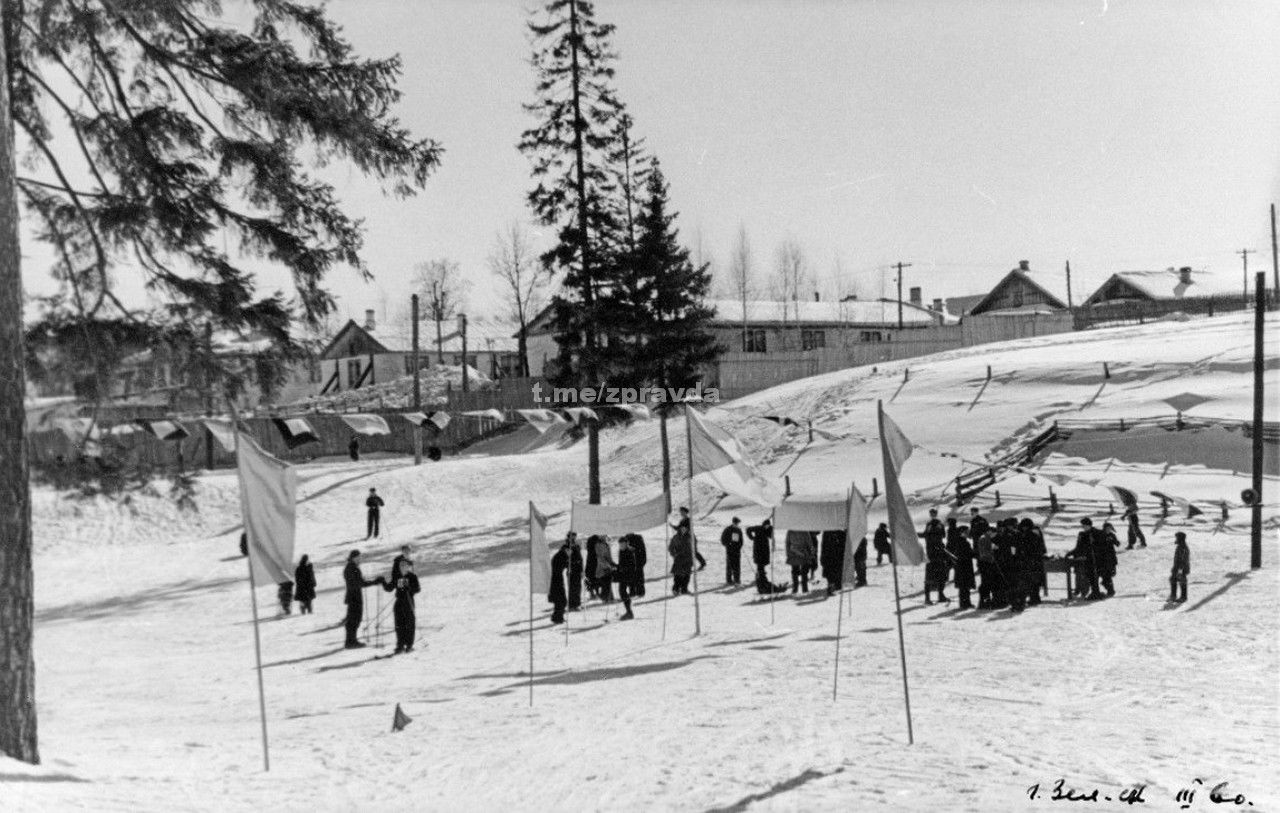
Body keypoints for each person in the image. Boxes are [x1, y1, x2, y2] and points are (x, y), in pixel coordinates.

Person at [381, 556, 421, 654]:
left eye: (404, 565)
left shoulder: (412, 576)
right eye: (401, 565)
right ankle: (400, 646)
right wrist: (382, 581)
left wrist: (409, 587)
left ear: (408, 567)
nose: (402, 567)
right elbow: (389, 588)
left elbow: (417, 589)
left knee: (410, 624)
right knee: (399, 625)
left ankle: (409, 645)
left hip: (409, 602)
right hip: (399, 603)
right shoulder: (397, 576)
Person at [343, 550, 382, 649]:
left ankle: (351, 640)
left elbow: (359, 582)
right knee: (354, 619)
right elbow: (359, 583)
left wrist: (371, 581)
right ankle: (350, 641)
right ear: (354, 558)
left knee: (354, 619)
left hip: (353, 596)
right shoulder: (352, 568)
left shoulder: (351, 567)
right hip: (354, 597)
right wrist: (374, 582)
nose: (360, 559)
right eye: (359, 557)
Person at [920, 509, 950, 604]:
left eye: (934, 513)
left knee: (940, 574)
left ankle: (940, 595)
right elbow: (926, 535)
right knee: (930, 575)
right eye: (931, 513)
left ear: (936, 514)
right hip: (933, 553)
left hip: (937, 552)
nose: (932, 515)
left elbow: (943, 535)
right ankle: (928, 598)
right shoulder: (931, 525)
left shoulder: (938, 524)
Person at [1070, 518, 1102, 600]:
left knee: (1094, 576)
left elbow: (1098, 545)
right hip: (1086, 558)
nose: (1083, 527)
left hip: (1094, 558)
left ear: (1089, 525)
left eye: (1084, 525)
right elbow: (1079, 547)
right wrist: (1071, 553)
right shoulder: (1083, 534)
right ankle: (1094, 592)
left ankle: (1096, 593)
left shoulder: (1095, 533)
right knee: (1090, 576)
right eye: (1082, 525)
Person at [947, 520, 976, 609]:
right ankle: (964, 603)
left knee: (964, 587)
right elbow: (967, 554)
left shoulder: (961, 541)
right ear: (962, 533)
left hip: (962, 566)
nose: (968, 533)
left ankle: (966, 603)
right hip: (963, 566)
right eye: (966, 532)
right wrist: (975, 553)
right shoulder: (963, 542)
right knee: (964, 586)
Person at [1093, 519, 1118, 597]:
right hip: (1102, 559)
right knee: (1104, 576)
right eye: (1107, 528)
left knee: (1108, 576)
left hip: (1110, 559)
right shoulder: (1101, 535)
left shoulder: (1112, 535)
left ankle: (1111, 591)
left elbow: (1117, 544)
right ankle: (1109, 589)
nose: (1108, 530)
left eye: (1110, 529)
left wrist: (1112, 540)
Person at [785, 530, 816, 594]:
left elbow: (787, 543)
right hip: (803, 553)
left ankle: (795, 589)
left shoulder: (790, 531)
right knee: (803, 572)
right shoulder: (804, 531)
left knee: (795, 571)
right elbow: (810, 543)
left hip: (793, 553)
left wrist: (788, 553)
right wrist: (812, 554)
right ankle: (804, 589)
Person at [974, 524, 998, 609]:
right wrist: (992, 555)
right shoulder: (984, 538)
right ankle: (984, 602)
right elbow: (983, 552)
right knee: (986, 583)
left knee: (987, 583)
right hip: (985, 563)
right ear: (990, 531)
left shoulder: (986, 538)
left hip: (986, 562)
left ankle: (985, 602)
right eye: (993, 533)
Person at [615, 536, 639, 620]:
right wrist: (616, 567)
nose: (621, 546)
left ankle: (629, 612)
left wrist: (622, 568)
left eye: (622, 544)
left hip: (629, 575)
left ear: (626, 544)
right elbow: (621, 564)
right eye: (620, 544)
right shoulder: (621, 551)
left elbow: (632, 565)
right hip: (623, 575)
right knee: (622, 592)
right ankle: (629, 611)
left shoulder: (630, 551)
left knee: (623, 592)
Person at [748, 519, 774, 587]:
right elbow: (748, 529)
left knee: (763, 564)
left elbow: (770, 536)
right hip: (758, 549)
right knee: (760, 564)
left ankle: (760, 576)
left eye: (768, 525)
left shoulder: (769, 529)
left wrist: (771, 530)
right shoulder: (758, 528)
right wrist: (751, 537)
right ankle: (760, 577)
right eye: (766, 525)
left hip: (765, 549)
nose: (767, 527)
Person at [548, 539, 569, 624]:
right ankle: (557, 618)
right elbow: (558, 567)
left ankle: (558, 617)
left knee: (561, 601)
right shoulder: (560, 557)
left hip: (558, 580)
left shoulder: (562, 556)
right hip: (555, 581)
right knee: (561, 601)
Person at [669, 527, 694, 595]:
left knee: (687, 575)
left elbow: (694, 547)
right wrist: (674, 554)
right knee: (678, 575)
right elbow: (671, 547)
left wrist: (693, 556)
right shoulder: (675, 537)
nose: (684, 530)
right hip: (679, 558)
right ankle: (675, 589)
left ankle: (684, 589)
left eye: (685, 529)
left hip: (688, 558)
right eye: (682, 529)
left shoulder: (690, 537)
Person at [822, 529, 847, 595]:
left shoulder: (840, 531)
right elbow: (824, 545)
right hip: (831, 556)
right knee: (831, 573)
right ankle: (832, 586)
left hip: (836, 556)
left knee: (835, 572)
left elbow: (844, 544)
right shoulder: (828, 532)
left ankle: (834, 586)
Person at [593, 535, 617, 602]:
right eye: (603, 536)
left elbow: (608, 556)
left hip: (607, 566)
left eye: (605, 536)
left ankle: (607, 598)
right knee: (606, 582)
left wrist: (612, 564)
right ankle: (607, 598)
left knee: (607, 582)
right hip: (603, 567)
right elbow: (600, 558)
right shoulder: (599, 545)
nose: (605, 537)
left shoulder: (605, 544)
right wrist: (608, 565)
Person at [721, 517, 745, 585]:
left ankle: (737, 580)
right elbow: (723, 539)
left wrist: (739, 546)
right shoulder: (728, 529)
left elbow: (741, 540)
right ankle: (729, 580)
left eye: (738, 523)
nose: (737, 524)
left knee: (737, 565)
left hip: (737, 550)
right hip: (730, 550)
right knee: (730, 565)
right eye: (736, 523)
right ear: (733, 522)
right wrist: (728, 545)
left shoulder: (739, 530)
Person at [1169, 532, 1190, 603]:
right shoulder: (1180, 546)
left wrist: (1180, 569)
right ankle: (1173, 596)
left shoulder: (1183, 547)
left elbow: (1183, 559)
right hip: (1177, 567)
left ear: (1180, 539)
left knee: (1182, 581)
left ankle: (1183, 597)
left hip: (1182, 568)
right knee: (1173, 579)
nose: (1176, 539)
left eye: (1177, 538)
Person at [566, 533, 584, 610]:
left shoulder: (576, 546)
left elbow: (580, 558)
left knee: (578, 587)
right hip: (571, 568)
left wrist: (582, 569)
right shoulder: (567, 546)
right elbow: (566, 558)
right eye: (572, 536)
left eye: (574, 536)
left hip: (578, 568)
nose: (574, 537)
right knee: (572, 587)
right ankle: (571, 605)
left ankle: (577, 604)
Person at [628, 533, 648, 597]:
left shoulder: (638, 538)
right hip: (630, 563)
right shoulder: (626, 539)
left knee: (639, 577)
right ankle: (632, 592)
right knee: (630, 577)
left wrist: (643, 561)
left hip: (638, 562)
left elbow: (643, 551)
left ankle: (640, 592)